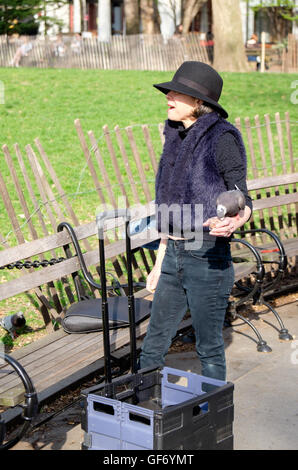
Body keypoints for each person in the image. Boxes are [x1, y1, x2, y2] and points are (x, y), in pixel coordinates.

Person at [139, 61, 252, 383]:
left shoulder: (222, 137)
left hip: (207, 258)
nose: (169, 97)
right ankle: (140, 413)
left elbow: (242, 195)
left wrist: (236, 219)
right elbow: (169, 211)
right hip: (173, 256)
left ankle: (213, 421)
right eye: (170, 91)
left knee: (209, 347)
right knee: (153, 344)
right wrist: (160, 262)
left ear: (199, 104)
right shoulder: (174, 137)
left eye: (178, 93)